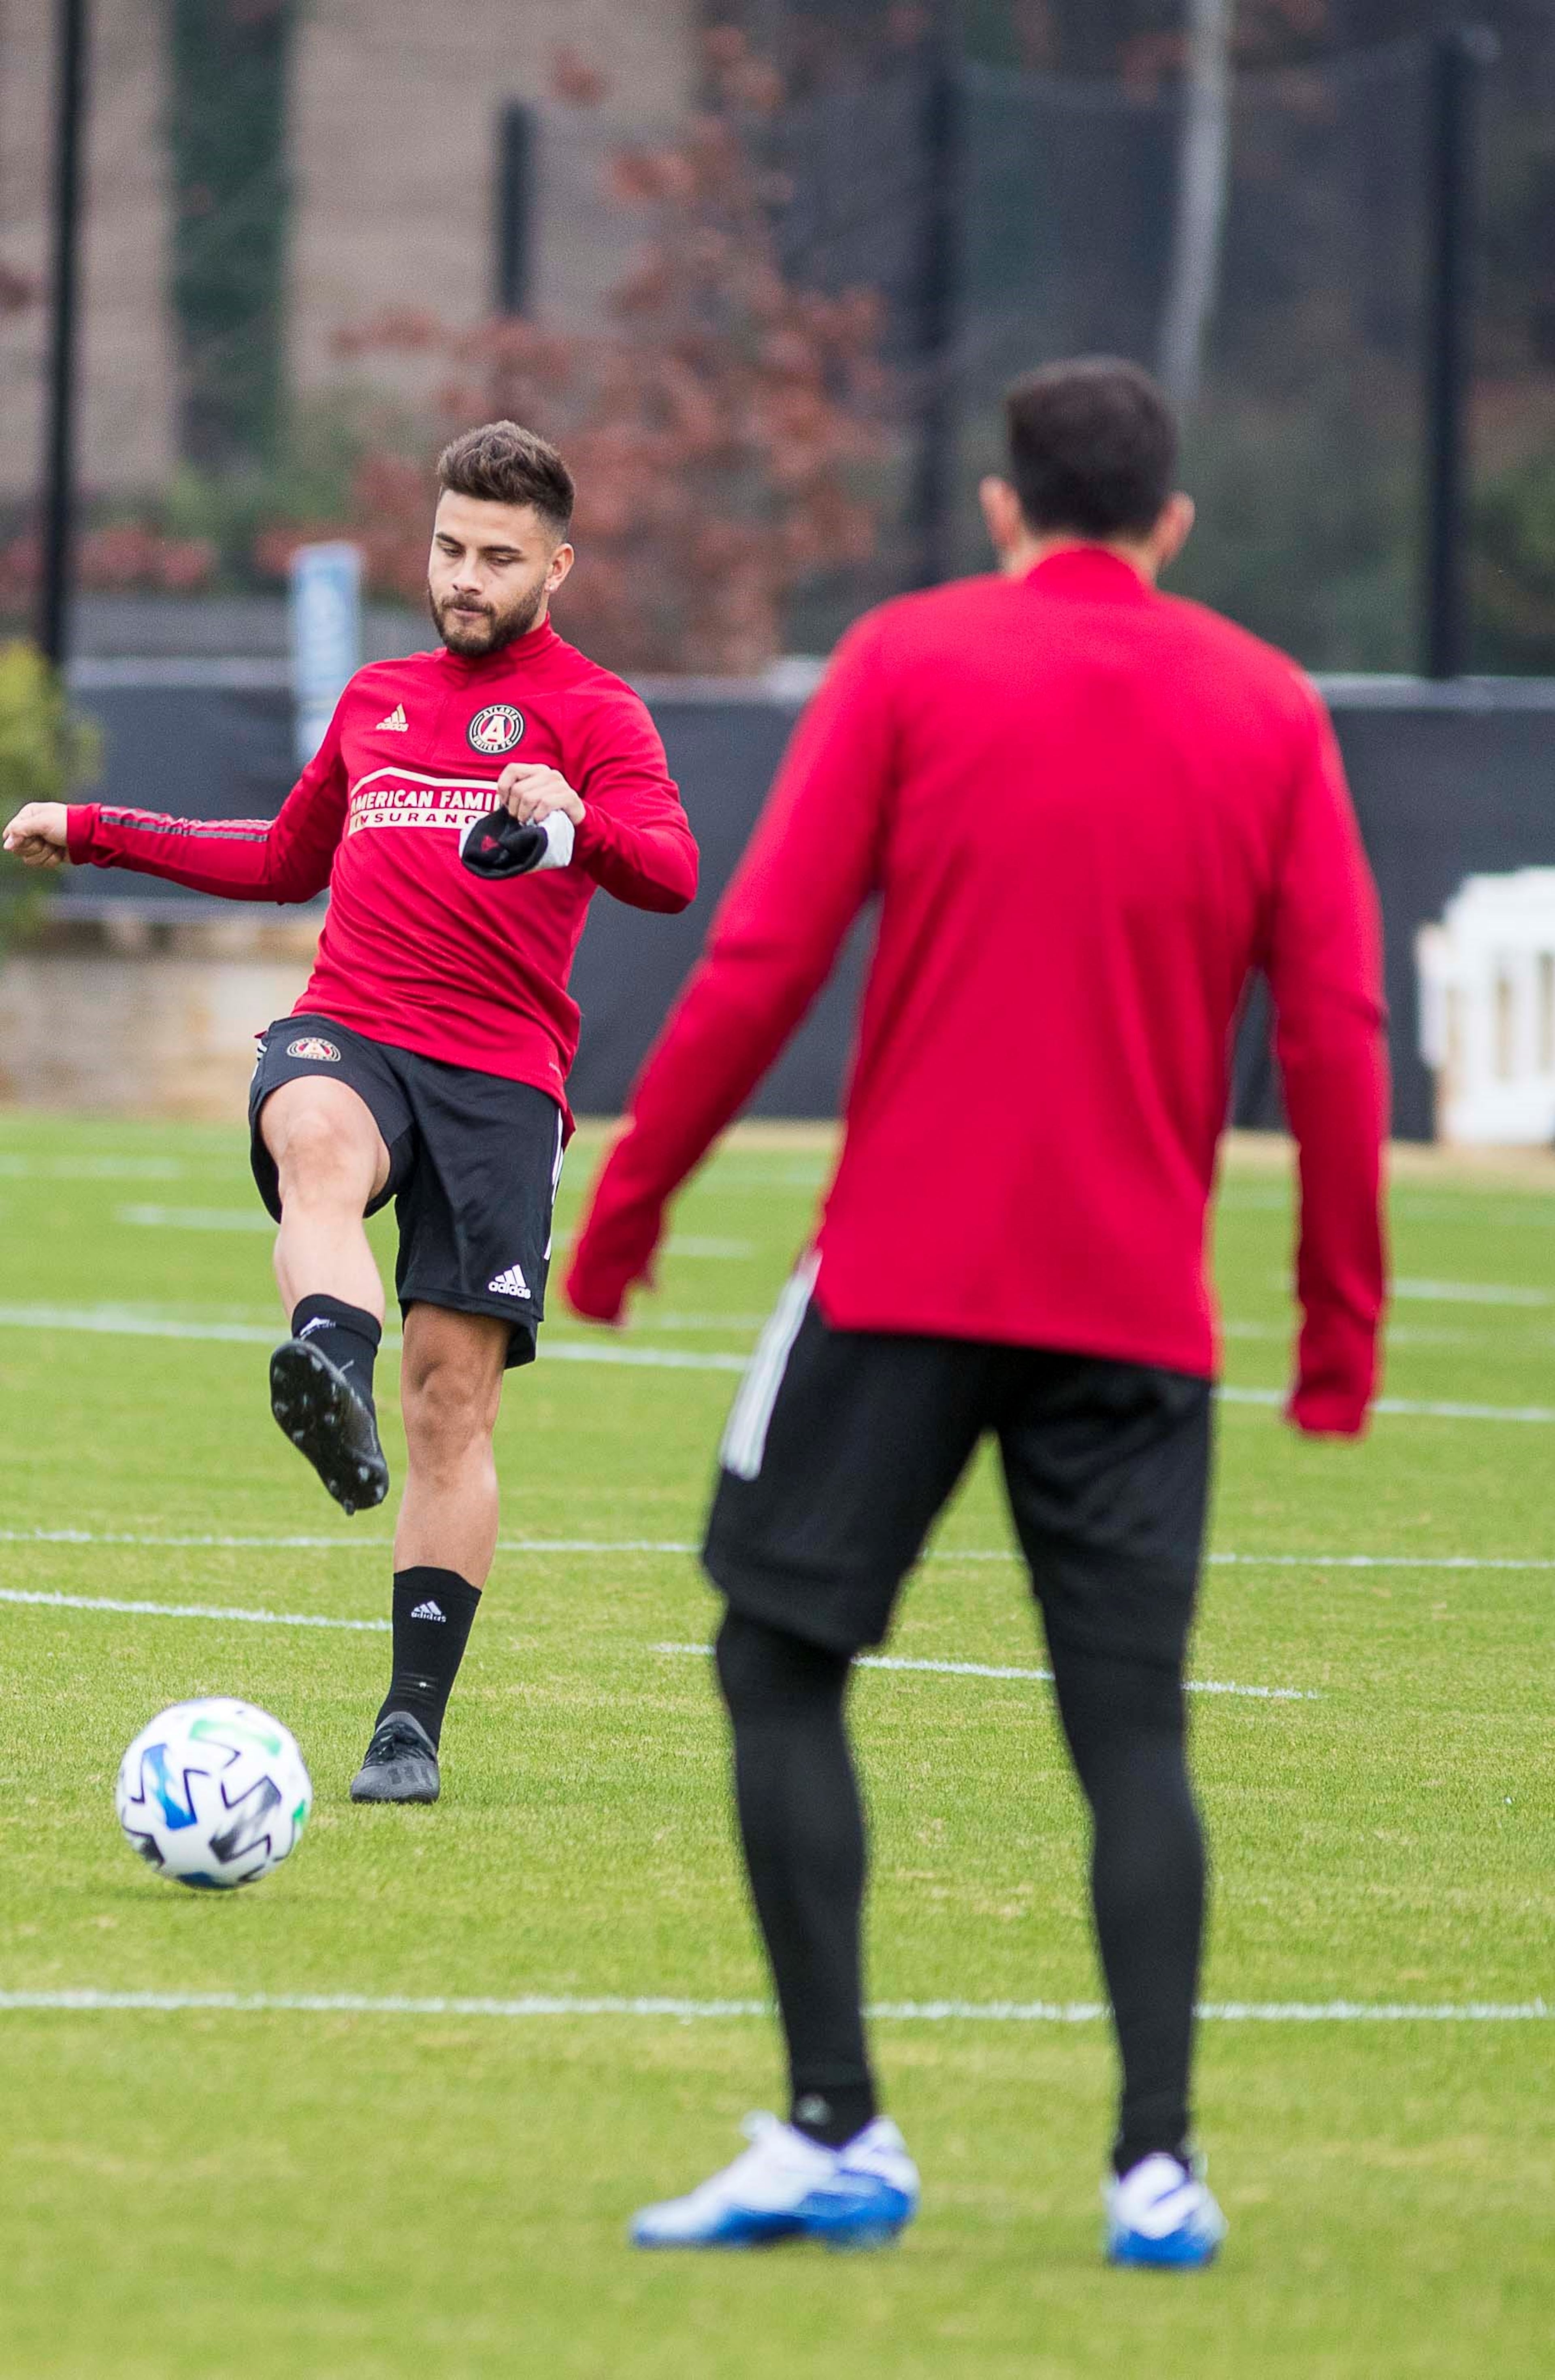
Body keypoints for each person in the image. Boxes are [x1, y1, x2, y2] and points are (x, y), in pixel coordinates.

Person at [566, 358, 1387, 2263]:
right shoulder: (1270, 706)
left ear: (1004, 508)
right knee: (1134, 1739)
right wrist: (1336, 1333)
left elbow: (766, 950)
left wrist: (630, 1205)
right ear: (1172, 526)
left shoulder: (909, 659)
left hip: (899, 1282)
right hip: (1134, 1316)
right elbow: (1338, 1033)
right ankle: (1154, 2166)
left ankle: (838, 2129)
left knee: (776, 1665)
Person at [6, 420, 698, 1807]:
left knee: (451, 1403)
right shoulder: (378, 697)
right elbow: (279, 860)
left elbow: (672, 872)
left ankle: (408, 1728)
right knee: (314, 1134)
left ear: (555, 567)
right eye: (449, 548)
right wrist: (90, 827)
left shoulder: (600, 716)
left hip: (504, 1078)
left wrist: (572, 819)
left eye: (498, 558)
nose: (466, 576)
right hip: (356, 1025)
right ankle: (327, 1352)